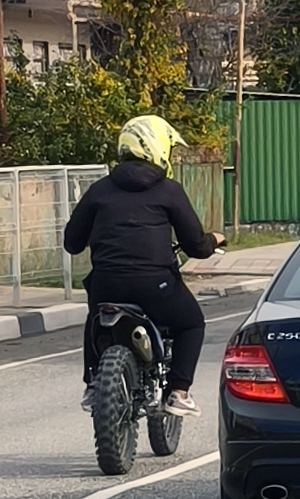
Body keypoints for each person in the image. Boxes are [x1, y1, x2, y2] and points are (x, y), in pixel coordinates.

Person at [64, 115, 225, 416]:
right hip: (155, 285)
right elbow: (195, 246)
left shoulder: (99, 190)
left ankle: (94, 384)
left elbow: (72, 243)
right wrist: (215, 238)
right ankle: (178, 392)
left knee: (95, 320)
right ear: (158, 147)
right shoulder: (169, 190)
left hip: (106, 284)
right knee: (192, 323)